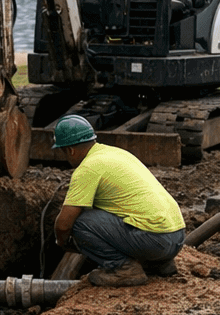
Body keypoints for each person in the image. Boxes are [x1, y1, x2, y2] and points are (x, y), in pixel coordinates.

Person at [51, 115, 185, 287]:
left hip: (155, 241)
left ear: (70, 150)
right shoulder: (117, 153)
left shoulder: (87, 168)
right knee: (119, 212)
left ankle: (124, 270)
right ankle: (158, 263)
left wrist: (62, 241)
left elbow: (64, 224)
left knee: (79, 222)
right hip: (177, 238)